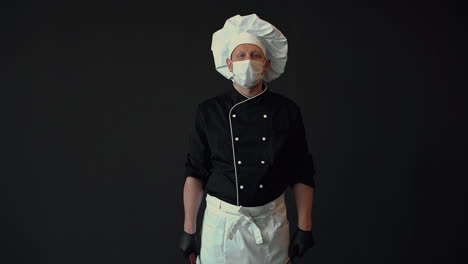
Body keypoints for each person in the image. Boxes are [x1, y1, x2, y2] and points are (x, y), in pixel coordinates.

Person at [178, 13, 316, 264]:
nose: (248, 61)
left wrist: (305, 227)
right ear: (229, 64)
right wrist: (189, 228)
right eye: (241, 56)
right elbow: (195, 173)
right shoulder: (209, 111)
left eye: (255, 55)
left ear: (266, 63)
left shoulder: (287, 111)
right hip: (222, 226)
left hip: (271, 225)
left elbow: (302, 173)